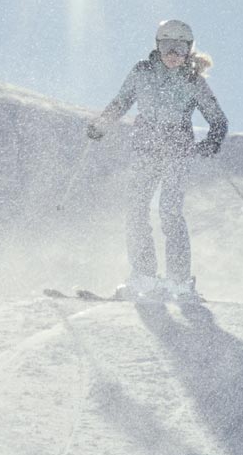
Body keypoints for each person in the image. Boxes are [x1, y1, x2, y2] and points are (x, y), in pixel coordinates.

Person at [87, 19, 228, 300]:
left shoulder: (193, 81)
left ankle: (179, 281)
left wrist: (211, 142)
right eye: (167, 46)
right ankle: (144, 277)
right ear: (157, 46)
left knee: (169, 212)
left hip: (177, 151)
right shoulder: (142, 72)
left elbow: (218, 120)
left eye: (180, 47)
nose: (173, 53)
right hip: (146, 149)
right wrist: (101, 125)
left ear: (189, 50)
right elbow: (122, 101)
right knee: (136, 209)